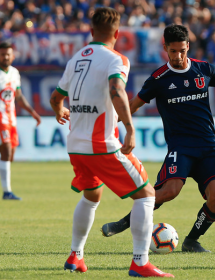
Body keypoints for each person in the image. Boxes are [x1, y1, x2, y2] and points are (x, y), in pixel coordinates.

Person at [101, 24, 215, 252]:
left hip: (208, 147)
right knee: (169, 192)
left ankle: (192, 240)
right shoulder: (158, 79)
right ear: (165, 48)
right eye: (173, 51)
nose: (178, 56)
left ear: (188, 47)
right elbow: (132, 105)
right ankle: (123, 222)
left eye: (182, 51)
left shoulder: (204, 69)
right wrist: (107, 125)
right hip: (181, 148)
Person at [49, 8, 173, 277]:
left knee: (92, 195)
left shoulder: (75, 59)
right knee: (146, 194)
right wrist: (129, 127)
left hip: (76, 146)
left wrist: (60, 111)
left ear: (91, 31)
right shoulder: (117, 59)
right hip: (102, 144)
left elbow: (56, 97)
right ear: (117, 33)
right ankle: (140, 263)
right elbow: (117, 89)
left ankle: (75, 256)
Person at [0, 41, 41, 200]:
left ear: (13, 56)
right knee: (7, 149)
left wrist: (33, 112)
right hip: (0, 117)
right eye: (3, 54)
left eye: (8, 54)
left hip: (11, 117)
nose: (5, 57)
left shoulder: (15, 73)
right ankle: (7, 192)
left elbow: (18, 96)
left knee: (10, 155)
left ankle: (7, 190)